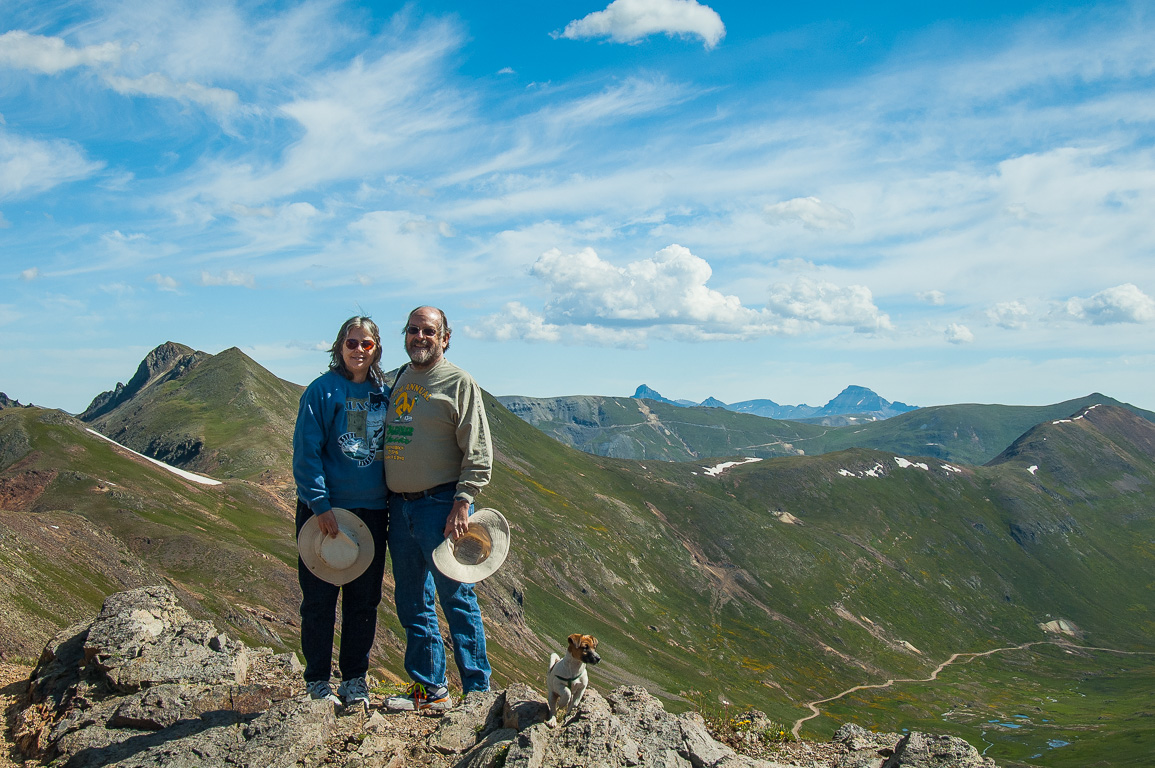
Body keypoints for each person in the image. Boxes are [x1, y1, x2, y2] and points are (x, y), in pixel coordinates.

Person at [382, 306, 493, 711]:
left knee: (457, 598)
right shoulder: (399, 378)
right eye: (412, 330)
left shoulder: (458, 382)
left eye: (429, 331)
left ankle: (478, 694)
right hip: (401, 508)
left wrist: (463, 501)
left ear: (445, 338)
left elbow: (477, 449)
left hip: (441, 507)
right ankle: (430, 689)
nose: (419, 337)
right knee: (412, 601)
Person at [292, 316, 390, 708]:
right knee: (319, 600)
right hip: (326, 513)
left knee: (363, 602)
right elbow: (306, 453)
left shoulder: (383, 393)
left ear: (376, 349)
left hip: (372, 512)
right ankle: (317, 679)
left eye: (366, 344)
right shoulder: (321, 391)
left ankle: (354, 680)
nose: (359, 350)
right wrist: (320, 504)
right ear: (340, 346)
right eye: (352, 343)